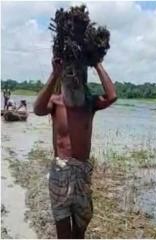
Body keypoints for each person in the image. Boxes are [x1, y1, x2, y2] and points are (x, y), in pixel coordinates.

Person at [33, 57, 117, 239]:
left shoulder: (90, 103)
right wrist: (54, 74)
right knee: (63, 232)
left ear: (84, 79)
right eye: (69, 74)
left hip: (82, 173)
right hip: (60, 174)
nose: (74, 79)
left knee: (80, 228)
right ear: (63, 78)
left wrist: (96, 63)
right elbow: (38, 109)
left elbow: (112, 96)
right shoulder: (56, 102)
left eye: (78, 75)